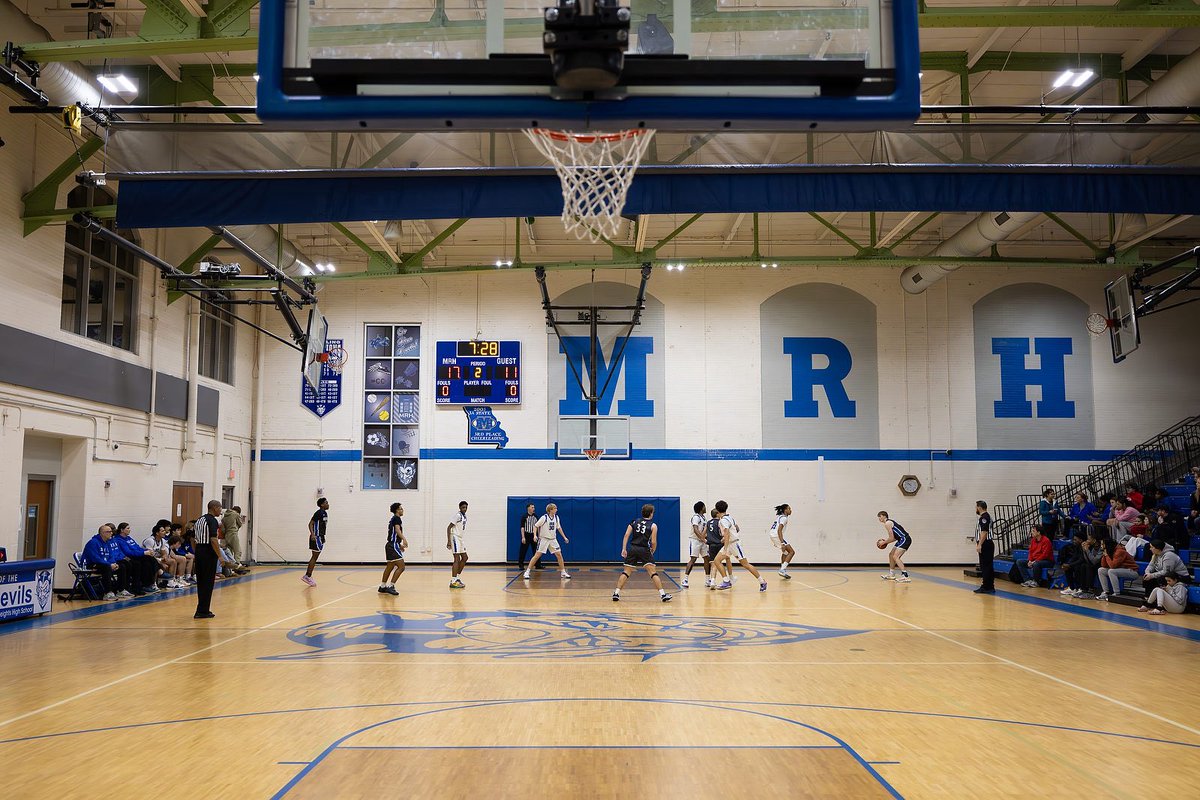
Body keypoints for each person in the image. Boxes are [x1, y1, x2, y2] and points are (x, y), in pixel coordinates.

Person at [612, 504, 672, 603]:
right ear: (651, 513)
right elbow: (653, 542)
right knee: (653, 573)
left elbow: (626, 535)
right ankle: (663, 595)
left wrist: (624, 549)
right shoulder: (653, 525)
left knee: (626, 572)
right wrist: (652, 551)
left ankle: (616, 593)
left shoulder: (634, 522)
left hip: (633, 548)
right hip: (644, 549)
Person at [718, 501, 768, 592]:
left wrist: (725, 547)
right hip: (730, 543)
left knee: (745, 564)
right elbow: (737, 528)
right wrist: (728, 537)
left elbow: (727, 533)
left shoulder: (723, 520)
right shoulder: (730, 518)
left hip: (734, 544)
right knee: (717, 561)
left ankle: (762, 581)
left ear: (717, 510)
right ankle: (726, 581)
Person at [193, 499, 224, 620]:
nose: (220, 511)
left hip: (199, 551)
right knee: (208, 582)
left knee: (201, 582)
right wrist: (220, 556)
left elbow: (192, 538)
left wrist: (197, 552)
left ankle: (202, 609)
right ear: (215, 508)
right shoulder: (213, 521)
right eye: (220, 508)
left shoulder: (199, 519)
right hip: (208, 552)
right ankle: (202, 611)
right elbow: (213, 539)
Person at [524, 502, 571, 580]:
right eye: (555, 508)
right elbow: (535, 526)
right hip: (544, 539)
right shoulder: (544, 517)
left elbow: (559, 528)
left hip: (553, 539)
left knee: (559, 555)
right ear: (550, 510)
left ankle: (563, 572)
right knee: (537, 556)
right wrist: (535, 535)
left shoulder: (556, 518)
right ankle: (527, 572)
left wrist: (564, 537)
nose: (556, 509)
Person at [82, 523, 127, 600]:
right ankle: (108, 592)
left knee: (121, 566)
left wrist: (113, 563)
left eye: (111, 531)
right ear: (102, 533)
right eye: (109, 532)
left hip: (103, 564)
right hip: (92, 565)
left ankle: (120, 590)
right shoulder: (93, 542)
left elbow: (111, 555)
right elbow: (95, 558)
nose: (111, 533)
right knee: (106, 567)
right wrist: (109, 564)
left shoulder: (107, 542)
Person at [113, 522, 159, 595]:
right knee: (140, 564)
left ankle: (151, 583)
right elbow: (128, 552)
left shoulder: (129, 538)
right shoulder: (118, 540)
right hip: (130, 557)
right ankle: (138, 586)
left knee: (151, 559)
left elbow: (137, 547)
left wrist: (147, 551)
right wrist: (143, 553)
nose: (129, 530)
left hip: (137, 555)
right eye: (127, 528)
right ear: (122, 530)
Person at [681, 501, 711, 589]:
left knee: (707, 558)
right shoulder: (696, 517)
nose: (706, 508)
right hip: (695, 540)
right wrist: (702, 539)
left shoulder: (704, 518)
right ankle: (685, 579)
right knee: (693, 559)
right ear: (701, 508)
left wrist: (705, 538)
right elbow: (695, 529)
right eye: (704, 506)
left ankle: (707, 579)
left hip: (702, 541)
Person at [877, 512, 914, 583]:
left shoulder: (887, 523)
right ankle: (892, 574)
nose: (879, 518)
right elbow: (894, 538)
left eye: (880, 516)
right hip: (901, 539)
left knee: (895, 556)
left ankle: (905, 576)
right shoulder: (889, 523)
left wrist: (883, 543)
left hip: (905, 539)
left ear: (884, 516)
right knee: (891, 555)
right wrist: (885, 542)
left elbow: (891, 538)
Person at [379, 502, 407, 596]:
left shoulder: (393, 519)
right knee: (401, 566)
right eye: (401, 508)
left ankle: (383, 586)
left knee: (390, 566)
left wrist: (399, 545)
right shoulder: (397, 518)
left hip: (391, 545)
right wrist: (404, 539)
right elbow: (397, 530)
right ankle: (391, 586)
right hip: (392, 545)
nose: (402, 510)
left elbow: (393, 535)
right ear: (397, 510)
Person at [303, 497, 329, 587]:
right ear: (322, 505)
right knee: (314, 557)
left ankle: (308, 575)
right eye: (326, 503)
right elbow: (310, 523)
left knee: (315, 557)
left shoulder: (324, 513)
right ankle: (307, 576)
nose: (328, 504)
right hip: (316, 537)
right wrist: (313, 534)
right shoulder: (318, 513)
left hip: (321, 537)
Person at [705, 505, 730, 590]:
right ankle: (729, 578)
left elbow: (705, 533)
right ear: (717, 514)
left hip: (711, 545)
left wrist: (705, 540)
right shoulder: (720, 522)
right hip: (719, 543)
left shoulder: (708, 523)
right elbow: (724, 533)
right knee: (726, 559)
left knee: (713, 563)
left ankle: (712, 581)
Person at [446, 500, 469, 589]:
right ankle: (453, 580)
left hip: (460, 538)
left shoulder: (464, 516)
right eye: (463, 507)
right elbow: (448, 527)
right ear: (459, 508)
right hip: (454, 537)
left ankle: (457, 577)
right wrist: (448, 541)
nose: (465, 509)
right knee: (456, 558)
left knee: (465, 557)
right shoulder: (458, 515)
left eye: (466, 507)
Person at [769, 503, 795, 580]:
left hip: (772, 535)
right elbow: (779, 530)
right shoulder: (784, 518)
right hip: (776, 535)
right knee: (792, 552)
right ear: (785, 510)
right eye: (789, 508)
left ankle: (783, 570)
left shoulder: (780, 517)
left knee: (785, 553)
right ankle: (782, 570)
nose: (791, 510)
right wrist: (782, 543)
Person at [974, 500, 994, 594]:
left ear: (979, 507)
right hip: (987, 544)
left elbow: (984, 532)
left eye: (976, 507)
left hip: (985, 544)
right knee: (987, 565)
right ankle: (989, 585)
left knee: (985, 566)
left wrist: (980, 544)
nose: (976, 509)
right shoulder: (986, 516)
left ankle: (986, 586)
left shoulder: (984, 517)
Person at [516, 503, 540, 572]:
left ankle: (538, 565)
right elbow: (522, 527)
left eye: (534, 507)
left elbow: (538, 526)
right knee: (523, 551)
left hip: (534, 535)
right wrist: (523, 537)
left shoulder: (535, 516)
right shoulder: (524, 516)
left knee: (536, 551)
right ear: (528, 508)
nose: (534, 508)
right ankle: (521, 565)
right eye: (532, 507)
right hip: (526, 535)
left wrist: (538, 535)